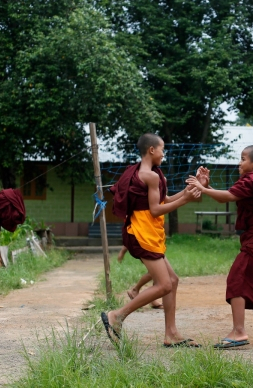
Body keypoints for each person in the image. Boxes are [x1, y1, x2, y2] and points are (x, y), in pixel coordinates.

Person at [101, 133, 202, 347]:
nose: (164, 154)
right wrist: (186, 199)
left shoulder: (148, 173)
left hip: (146, 232)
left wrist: (190, 189)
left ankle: (171, 334)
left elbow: (163, 200)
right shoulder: (151, 176)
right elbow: (156, 210)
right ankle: (117, 316)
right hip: (142, 234)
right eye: (162, 149)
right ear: (152, 150)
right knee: (165, 284)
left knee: (172, 281)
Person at [186, 145, 253, 349]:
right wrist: (208, 187)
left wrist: (203, 188)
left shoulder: (252, 180)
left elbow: (230, 196)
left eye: (243, 159)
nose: (239, 163)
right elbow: (232, 194)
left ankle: (239, 332)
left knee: (237, 279)